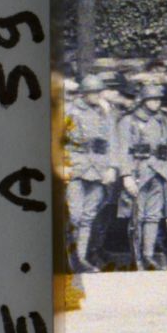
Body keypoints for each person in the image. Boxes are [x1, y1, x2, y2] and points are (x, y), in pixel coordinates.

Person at [116, 80, 167, 269]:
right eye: (152, 99)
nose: (156, 102)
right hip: (138, 171)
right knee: (137, 216)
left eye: (158, 99)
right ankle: (137, 256)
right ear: (143, 100)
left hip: (159, 172)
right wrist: (126, 176)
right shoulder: (129, 120)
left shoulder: (164, 120)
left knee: (153, 216)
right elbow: (122, 150)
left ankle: (149, 255)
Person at [65, 74, 121, 273]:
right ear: (83, 93)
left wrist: (112, 167)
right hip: (76, 167)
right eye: (93, 92)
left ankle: (80, 259)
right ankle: (67, 259)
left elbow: (113, 141)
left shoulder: (105, 112)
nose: (97, 95)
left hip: (99, 168)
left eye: (99, 91)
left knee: (88, 217)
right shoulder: (69, 110)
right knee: (74, 215)